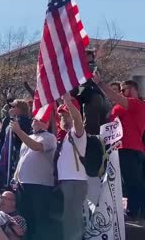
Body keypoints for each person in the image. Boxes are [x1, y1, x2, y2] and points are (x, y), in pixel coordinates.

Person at [93, 74, 145, 218]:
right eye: (121, 90)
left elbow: (115, 97)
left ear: (135, 90)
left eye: (124, 89)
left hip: (130, 148)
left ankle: (135, 211)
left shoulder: (137, 104)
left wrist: (100, 83)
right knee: (124, 182)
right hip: (118, 148)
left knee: (132, 181)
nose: (121, 92)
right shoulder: (120, 107)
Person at [11, 107, 57, 240]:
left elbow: (36, 147)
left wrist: (19, 131)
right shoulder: (29, 137)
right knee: (25, 219)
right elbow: (22, 158)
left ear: (47, 123)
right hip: (23, 184)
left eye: (40, 120)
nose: (36, 122)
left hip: (40, 185)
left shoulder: (50, 137)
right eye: (35, 119)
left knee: (39, 221)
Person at [56, 93, 88, 240]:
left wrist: (68, 103)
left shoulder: (77, 133)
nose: (62, 117)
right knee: (67, 217)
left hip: (75, 181)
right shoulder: (66, 136)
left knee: (73, 217)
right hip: (66, 181)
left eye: (65, 114)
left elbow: (78, 120)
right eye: (61, 115)